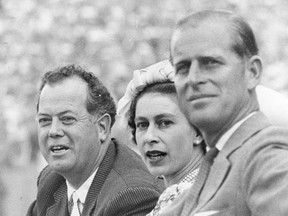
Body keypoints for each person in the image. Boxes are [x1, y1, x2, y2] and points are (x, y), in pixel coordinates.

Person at [160, 10, 288, 216]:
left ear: (252, 72)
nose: (193, 78)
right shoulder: (213, 165)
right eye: (182, 67)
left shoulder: (266, 153)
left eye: (210, 63)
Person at [26, 65, 164, 216]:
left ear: (102, 127)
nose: (53, 131)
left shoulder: (132, 196)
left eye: (67, 119)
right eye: (45, 120)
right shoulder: (51, 180)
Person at [117, 60, 205, 215]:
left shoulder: (192, 197)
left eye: (164, 123)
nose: (149, 137)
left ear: (198, 131)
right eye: (142, 124)